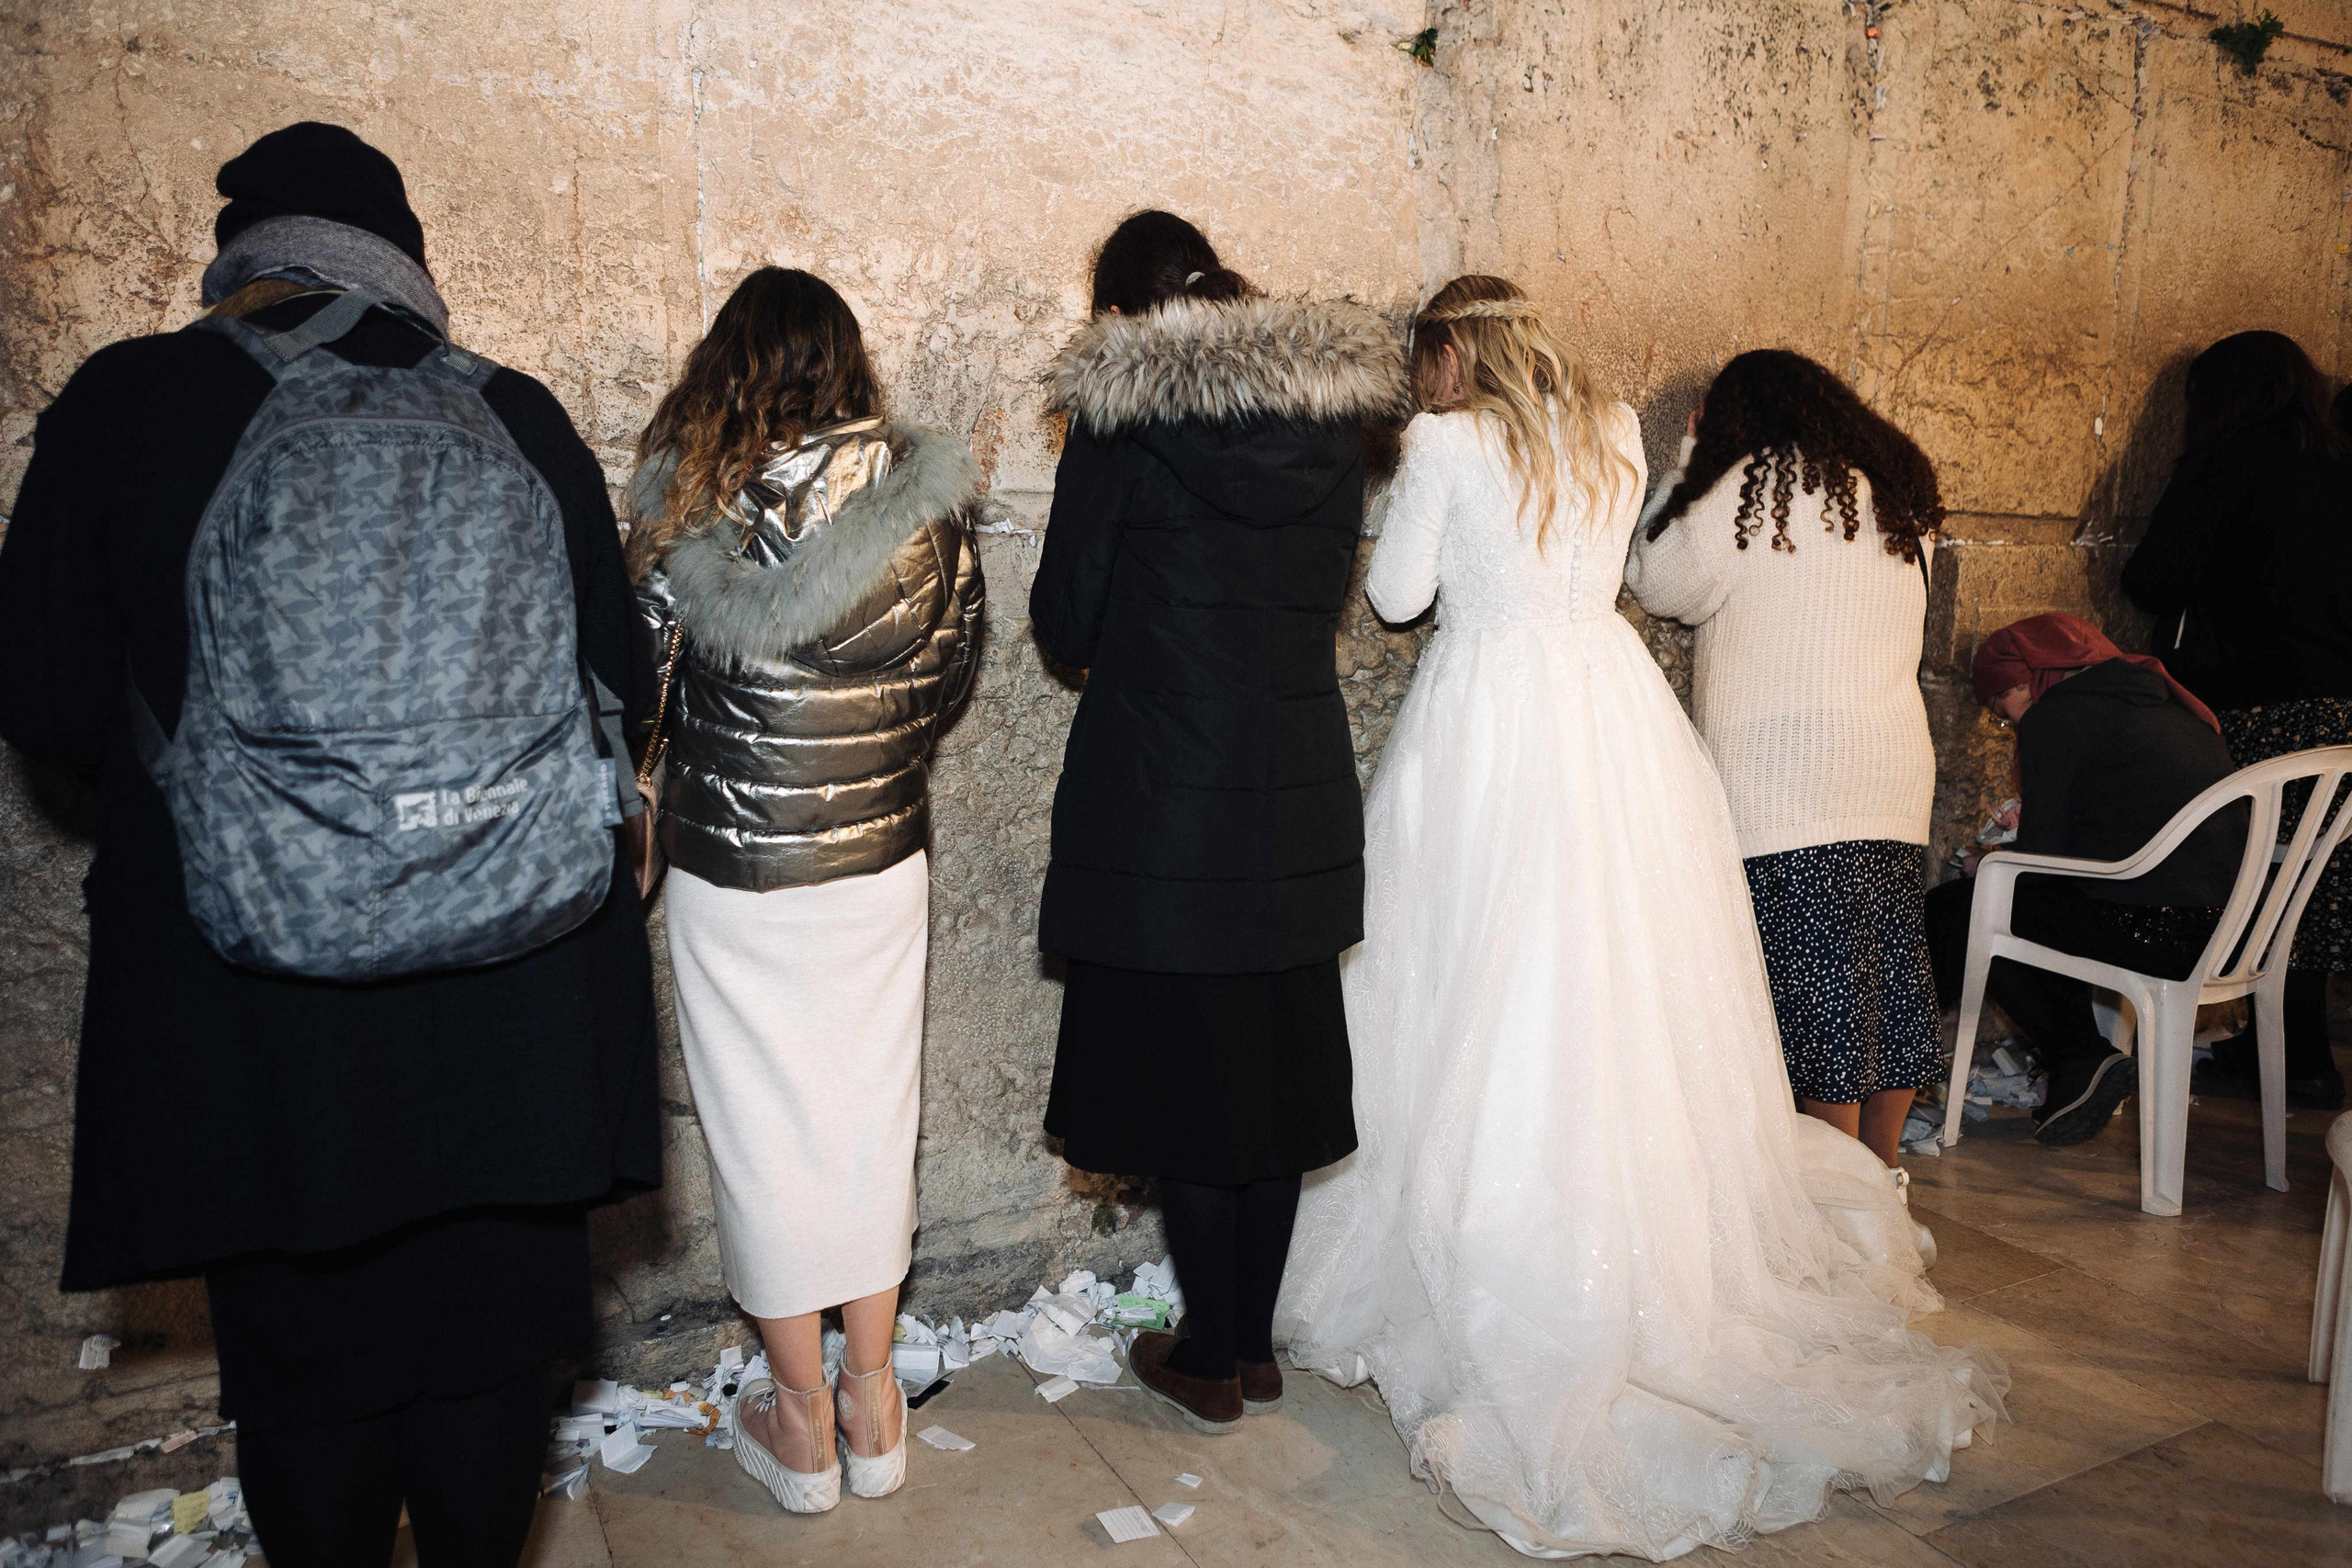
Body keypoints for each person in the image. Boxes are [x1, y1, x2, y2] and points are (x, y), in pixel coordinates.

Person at [0, 124, 662, 1567]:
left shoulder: (129, 401)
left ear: (237, 254)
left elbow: (43, 701)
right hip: (514, 988)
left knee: (307, 1357)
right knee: (492, 1346)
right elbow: (622, 681)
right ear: (407, 263)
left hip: (259, 1005)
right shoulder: (521, 414)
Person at [1275, 275, 2004, 1561]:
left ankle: (1494, 1224)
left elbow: (1396, 597)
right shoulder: (1611, 426)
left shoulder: (1448, 442)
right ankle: (1641, 1226)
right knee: (1614, 975)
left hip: (1493, 717)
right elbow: (1614, 569)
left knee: (1471, 970)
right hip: (1610, 714)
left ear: (1451, 355)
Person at [1029, 210, 1402, 1433]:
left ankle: (1212, 1351)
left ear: (1123, 313)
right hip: (1292, 783)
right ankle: (1249, 1345)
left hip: (1164, 794)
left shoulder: (1123, 417)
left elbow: (1067, 623)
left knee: (1192, 1081)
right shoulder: (1331, 417)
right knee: (1274, 1073)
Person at [628, 267, 984, 1511]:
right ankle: (876, 1396)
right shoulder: (924, 504)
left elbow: (641, 677)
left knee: (764, 1136)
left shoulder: (691, 493)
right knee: (868, 1118)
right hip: (881, 858)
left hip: (737, 868)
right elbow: (948, 671)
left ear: (730, 363)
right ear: (848, 361)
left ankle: (798, 1417)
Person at [1628, 349, 1945, 1169]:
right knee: (1887, 992)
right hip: (1894, 774)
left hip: (1790, 781)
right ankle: (1880, 1176)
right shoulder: (1893, 496)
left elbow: (1659, 579)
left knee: (1818, 1006)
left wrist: (1687, 461)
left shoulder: (1754, 482)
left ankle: (1838, 1202)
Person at [2121, 331, 2350, 1108]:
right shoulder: (2339, 461)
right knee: (2308, 878)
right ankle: (2298, 1050)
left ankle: (2181, 1026)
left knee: (2241, 868)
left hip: (2255, 712)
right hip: (2339, 717)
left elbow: (2154, 576)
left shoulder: (2225, 464)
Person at [1924, 614, 2246, 1145]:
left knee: (1964, 907)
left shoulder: (2057, 717)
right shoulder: (2159, 702)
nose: (2006, 723)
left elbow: (2044, 859)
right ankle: (2078, 1061)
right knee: (2014, 906)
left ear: (2022, 682)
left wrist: (1989, 863)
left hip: (2157, 931)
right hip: (2229, 929)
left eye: (2000, 709)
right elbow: (2128, 818)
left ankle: (1891, 1068)